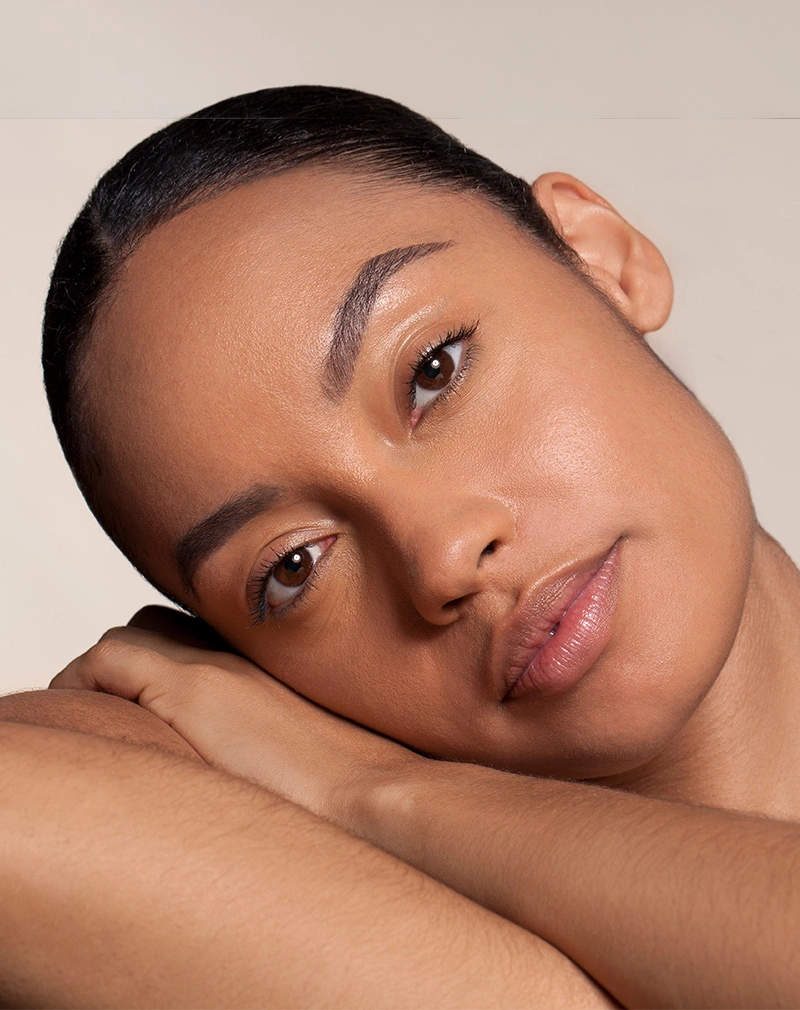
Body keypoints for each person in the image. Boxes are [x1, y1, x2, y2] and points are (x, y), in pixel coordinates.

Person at [2, 85, 798, 1007]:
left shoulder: (325, 792)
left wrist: (377, 796)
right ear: (233, 658)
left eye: (433, 370)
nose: (444, 555)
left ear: (600, 259)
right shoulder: (194, 766)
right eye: (292, 566)